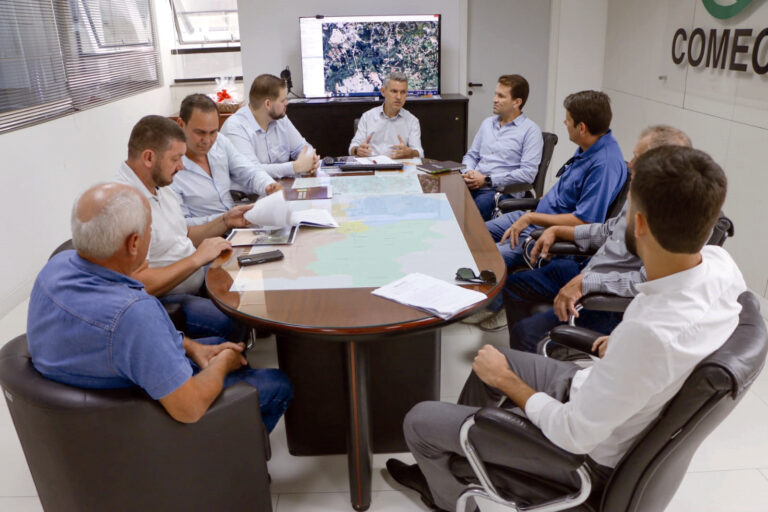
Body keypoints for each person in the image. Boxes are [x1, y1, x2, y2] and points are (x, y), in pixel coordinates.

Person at [387, 145, 744, 511]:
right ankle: (457, 460)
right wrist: (619, 344)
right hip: (602, 392)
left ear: (638, 224)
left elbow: (573, 434)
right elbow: (673, 343)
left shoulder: (652, 336)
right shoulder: (721, 265)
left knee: (420, 420)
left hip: (583, 458)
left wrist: (509, 383)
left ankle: (447, 499)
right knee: (491, 362)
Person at [27, 183, 292, 430]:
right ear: (134, 243)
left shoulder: (54, 268)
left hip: (89, 402)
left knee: (214, 341)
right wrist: (221, 365)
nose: (151, 235)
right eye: (150, 229)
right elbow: (189, 409)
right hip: (144, 424)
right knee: (277, 384)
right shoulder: (133, 314)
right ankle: (225, 463)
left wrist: (193, 347)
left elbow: (132, 340)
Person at [504, 125, 692, 351]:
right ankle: (538, 355)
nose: (630, 165)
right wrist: (558, 230)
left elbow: (646, 282)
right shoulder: (641, 193)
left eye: (637, 158)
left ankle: (538, 363)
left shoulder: (675, 220)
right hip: (590, 271)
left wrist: (585, 283)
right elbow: (606, 232)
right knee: (513, 286)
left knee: (525, 334)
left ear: (662, 166)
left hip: (608, 301)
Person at [466, 90, 627, 331]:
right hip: (535, 219)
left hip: (548, 231)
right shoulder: (587, 147)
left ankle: (500, 308)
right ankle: (494, 302)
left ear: (581, 127)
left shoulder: (604, 164)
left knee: (493, 256)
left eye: (568, 119)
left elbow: (584, 221)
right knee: (475, 236)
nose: (564, 122)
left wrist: (531, 217)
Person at [115, 115, 249, 341]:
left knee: (252, 284)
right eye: (176, 158)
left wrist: (225, 221)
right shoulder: (124, 203)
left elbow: (184, 234)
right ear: (149, 157)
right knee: (235, 318)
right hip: (163, 298)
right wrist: (197, 259)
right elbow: (139, 283)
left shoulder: (161, 183)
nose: (182, 166)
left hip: (193, 276)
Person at [171, 94, 282, 226]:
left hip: (236, 228)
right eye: (200, 133)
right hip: (207, 239)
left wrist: (268, 186)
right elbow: (181, 226)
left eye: (213, 132)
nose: (207, 141)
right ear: (181, 125)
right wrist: (224, 219)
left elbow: (249, 172)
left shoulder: (220, 142)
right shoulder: (170, 168)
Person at [461, 74, 543, 221]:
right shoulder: (487, 123)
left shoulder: (530, 131)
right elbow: (472, 156)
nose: (494, 99)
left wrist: (487, 180)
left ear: (517, 102)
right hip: (474, 185)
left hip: (500, 192)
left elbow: (528, 174)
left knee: (467, 217)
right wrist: (468, 172)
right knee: (445, 202)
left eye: (501, 96)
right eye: (495, 94)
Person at [220, 73, 320, 179]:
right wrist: (296, 167)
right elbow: (251, 170)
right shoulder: (235, 127)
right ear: (268, 104)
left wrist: (310, 159)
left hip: (279, 188)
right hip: (248, 194)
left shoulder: (281, 119)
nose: (287, 103)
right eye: (282, 100)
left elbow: (302, 148)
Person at [348, 71, 424, 159]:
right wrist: (357, 150)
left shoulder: (412, 121)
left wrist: (410, 153)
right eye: (394, 91)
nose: (399, 97)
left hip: (399, 168)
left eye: (403, 92)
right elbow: (352, 147)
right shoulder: (367, 117)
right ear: (383, 91)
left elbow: (420, 152)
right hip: (372, 166)